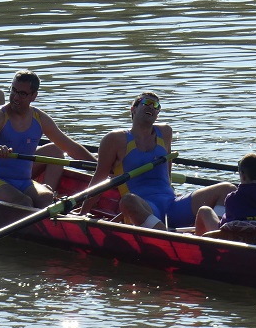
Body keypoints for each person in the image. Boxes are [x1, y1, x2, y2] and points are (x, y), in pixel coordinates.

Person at [77, 92, 234, 230]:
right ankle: (167, 237)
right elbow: (99, 179)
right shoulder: (115, 140)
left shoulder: (165, 132)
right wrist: (82, 214)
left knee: (227, 189)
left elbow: (167, 171)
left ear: (158, 114)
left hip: (172, 205)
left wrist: (172, 190)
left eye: (156, 106)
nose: (152, 107)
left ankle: (216, 235)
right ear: (133, 109)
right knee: (127, 200)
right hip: (143, 208)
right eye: (146, 103)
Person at [0, 70, 95, 207]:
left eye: (22, 94)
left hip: (23, 180)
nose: (15, 97)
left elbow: (70, 147)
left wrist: (99, 166)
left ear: (34, 96)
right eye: (13, 90)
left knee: (47, 199)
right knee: (23, 202)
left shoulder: (40, 118)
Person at [194, 153, 256, 236]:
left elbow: (225, 226)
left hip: (235, 241)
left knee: (204, 210)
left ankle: (198, 249)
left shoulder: (233, 198)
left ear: (243, 176)